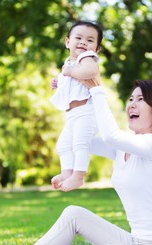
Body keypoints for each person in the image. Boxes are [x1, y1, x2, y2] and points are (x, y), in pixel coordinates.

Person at [13, 79, 152, 245]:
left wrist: (96, 89)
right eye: (131, 99)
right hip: (137, 243)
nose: (132, 105)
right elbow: (80, 139)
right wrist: (74, 98)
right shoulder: (122, 148)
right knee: (74, 214)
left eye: (140, 99)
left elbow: (111, 136)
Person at [49, 20, 102, 192]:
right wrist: (59, 82)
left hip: (86, 112)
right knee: (63, 145)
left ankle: (78, 176)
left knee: (80, 144)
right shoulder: (69, 63)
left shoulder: (86, 58)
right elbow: (72, 82)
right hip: (72, 115)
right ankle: (67, 172)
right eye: (78, 38)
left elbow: (91, 72)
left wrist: (70, 73)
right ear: (67, 42)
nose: (83, 43)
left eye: (89, 40)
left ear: (96, 48)